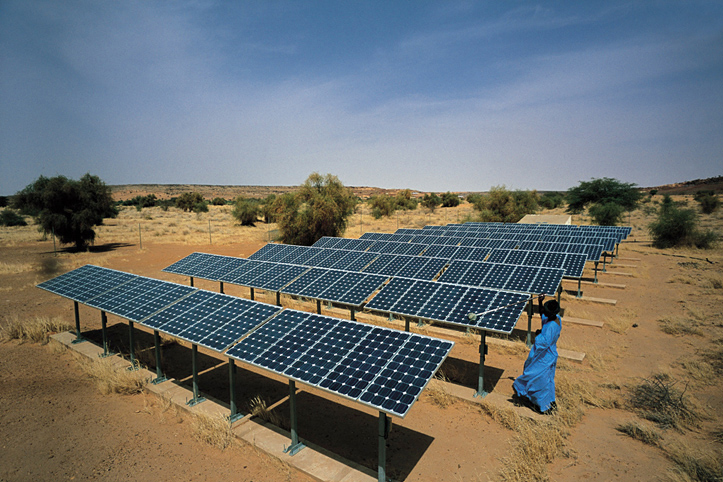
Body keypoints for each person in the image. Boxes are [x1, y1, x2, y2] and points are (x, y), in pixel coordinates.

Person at [512, 294, 562, 414]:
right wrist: (540, 302)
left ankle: (543, 407)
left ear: (550, 313)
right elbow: (542, 314)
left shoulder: (551, 326)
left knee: (541, 379)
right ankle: (550, 401)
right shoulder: (555, 318)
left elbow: (544, 343)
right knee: (548, 379)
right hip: (547, 354)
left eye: (546, 310)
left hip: (545, 356)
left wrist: (538, 335)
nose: (543, 312)